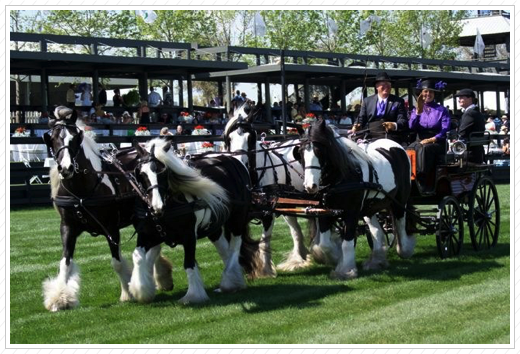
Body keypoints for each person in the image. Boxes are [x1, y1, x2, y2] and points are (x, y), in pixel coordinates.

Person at [408, 79, 451, 192]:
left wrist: (432, 139)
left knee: (424, 148)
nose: (428, 94)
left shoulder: (442, 110)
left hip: (438, 142)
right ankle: (410, 177)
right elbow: (411, 126)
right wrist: (418, 111)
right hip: (420, 140)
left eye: (431, 92)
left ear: (434, 94)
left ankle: (422, 178)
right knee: (409, 148)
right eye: (425, 91)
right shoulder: (416, 109)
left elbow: (445, 129)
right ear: (421, 94)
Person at [353, 72, 408, 143]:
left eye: (388, 84)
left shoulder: (398, 101)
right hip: (371, 136)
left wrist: (394, 125)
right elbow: (361, 119)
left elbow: (403, 121)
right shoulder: (367, 101)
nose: (386, 86)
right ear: (377, 86)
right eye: (383, 84)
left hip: (391, 136)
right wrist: (356, 126)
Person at [454, 88, 486, 163]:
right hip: (478, 151)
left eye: (461, 97)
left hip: (469, 152)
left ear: (470, 99)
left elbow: (462, 132)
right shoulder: (476, 112)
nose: (459, 100)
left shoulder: (469, 113)